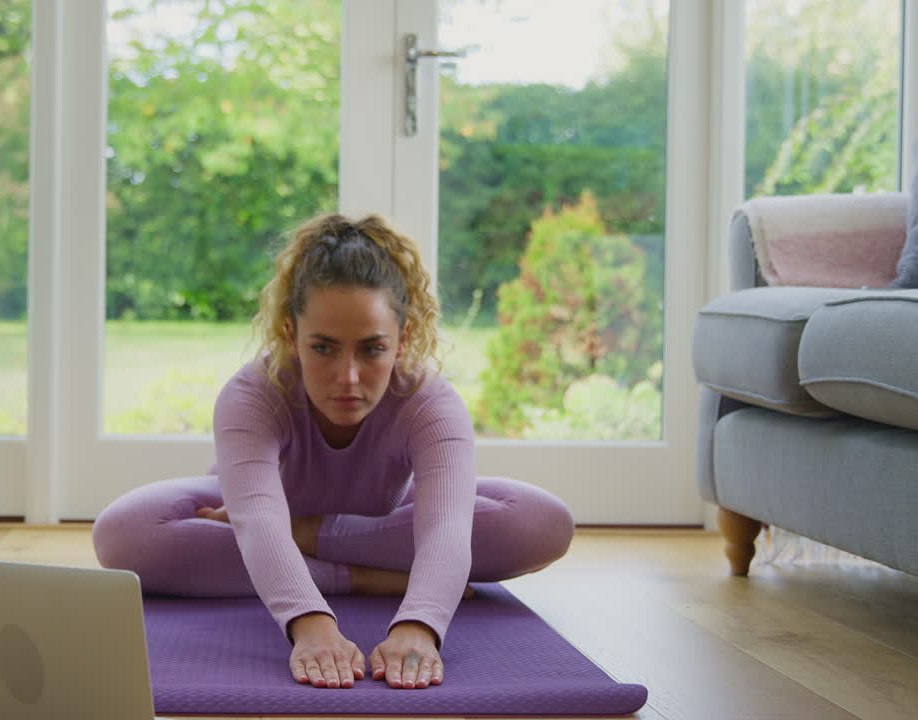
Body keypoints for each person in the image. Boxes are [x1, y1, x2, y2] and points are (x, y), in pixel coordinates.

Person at [93, 213, 575, 691]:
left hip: (383, 519)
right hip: (255, 516)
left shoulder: (430, 402)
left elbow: (446, 527)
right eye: (323, 348)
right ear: (290, 335)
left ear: (403, 339)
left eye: (371, 349)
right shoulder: (253, 394)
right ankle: (356, 575)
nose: (348, 378)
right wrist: (311, 622)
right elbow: (259, 518)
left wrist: (420, 624)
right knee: (123, 532)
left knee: (542, 520)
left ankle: (311, 537)